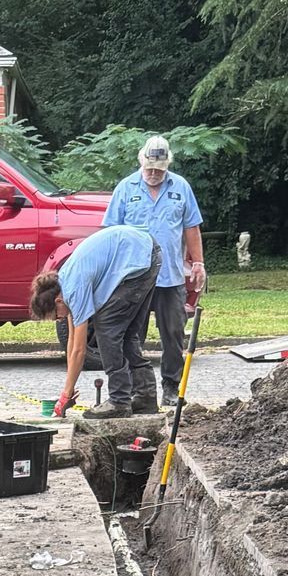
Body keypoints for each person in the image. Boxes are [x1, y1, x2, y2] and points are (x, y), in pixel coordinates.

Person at [102, 136, 205, 404]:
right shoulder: (125, 189)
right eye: (149, 169)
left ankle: (171, 387)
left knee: (173, 332)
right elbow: (110, 233)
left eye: (159, 170)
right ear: (140, 161)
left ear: (167, 165)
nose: (153, 174)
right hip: (134, 278)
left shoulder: (181, 187)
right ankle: (139, 389)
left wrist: (198, 263)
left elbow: (191, 227)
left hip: (170, 276)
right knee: (132, 335)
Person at [29, 223, 159, 418]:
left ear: (58, 300)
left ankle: (119, 401)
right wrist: (67, 392)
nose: (60, 319)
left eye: (57, 315)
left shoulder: (73, 290)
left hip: (140, 257)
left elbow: (80, 349)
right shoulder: (65, 282)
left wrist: (66, 394)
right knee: (126, 333)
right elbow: (72, 345)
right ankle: (145, 396)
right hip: (146, 253)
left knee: (106, 329)